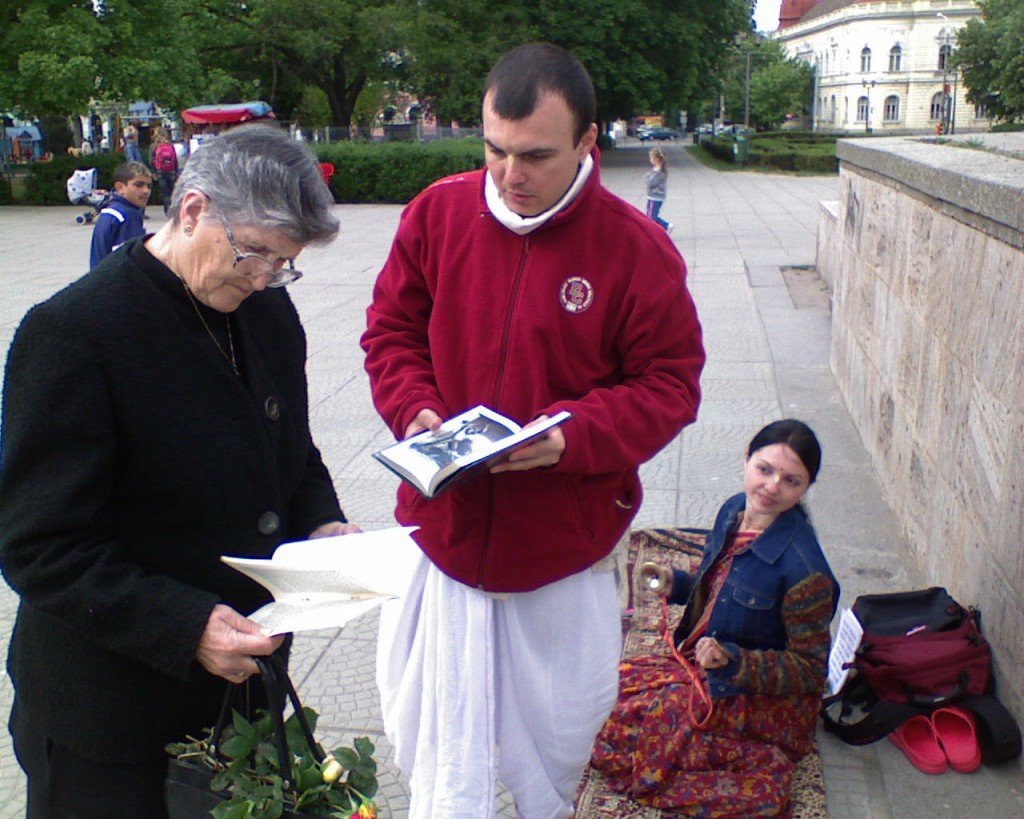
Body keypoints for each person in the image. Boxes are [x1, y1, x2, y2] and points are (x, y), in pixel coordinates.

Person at [361, 42, 704, 818]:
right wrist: (415, 408)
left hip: (559, 553)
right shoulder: (438, 212)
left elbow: (669, 384)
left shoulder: (635, 249)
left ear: (589, 142)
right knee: (440, 759)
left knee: (558, 752)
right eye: (494, 150)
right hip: (443, 540)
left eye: (534, 155)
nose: (509, 174)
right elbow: (391, 332)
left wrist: (570, 437)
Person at [0, 122, 357, 819]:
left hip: (237, 690)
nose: (262, 278)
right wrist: (186, 624)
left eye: (283, 263)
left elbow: (293, 451)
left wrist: (323, 522)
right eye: (253, 254)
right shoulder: (74, 334)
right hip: (111, 709)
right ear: (192, 209)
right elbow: (39, 544)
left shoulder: (267, 311)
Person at [590, 419, 840, 817]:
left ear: (806, 487)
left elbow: (810, 670)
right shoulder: (733, 511)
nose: (772, 487)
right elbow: (726, 588)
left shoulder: (806, 574)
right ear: (746, 458)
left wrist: (733, 661)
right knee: (605, 695)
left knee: (640, 729)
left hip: (759, 696)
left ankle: (762, 775)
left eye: (791, 481)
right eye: (764, 469)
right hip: (707, 665)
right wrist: (679, 582)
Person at [88, 160, 152, 268]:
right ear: (120, 188)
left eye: (149, 186)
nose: (146, 191)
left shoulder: (111, 212)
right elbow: (128, 262)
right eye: (139, 185)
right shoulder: (127, 216)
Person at [151, 130, 180, 216]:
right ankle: (173, 210)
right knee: (172, 191)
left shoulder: (154, 146)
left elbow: (151, 161)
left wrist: (154, 172)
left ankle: (167, 211)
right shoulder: (170, 145)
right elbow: (175, 160)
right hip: (171, 171)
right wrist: (176, 171)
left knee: (165, 193)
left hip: (160, 171)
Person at [644, 147, 672, 233]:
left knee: (651, 216)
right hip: (653, 195)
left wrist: (647, 178)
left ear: (656, 159)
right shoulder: (656, 170)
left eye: (651, 158)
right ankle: (665, 226)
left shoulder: (659, 172)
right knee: (651, 215)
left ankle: (665, 226)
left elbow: (651, 182)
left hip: (656, 196)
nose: (650, 160)